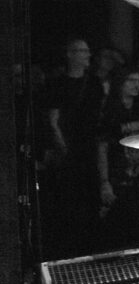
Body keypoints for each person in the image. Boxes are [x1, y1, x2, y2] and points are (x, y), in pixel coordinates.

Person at [44, 37, 104, 256]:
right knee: (70, 199)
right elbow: (53, 118)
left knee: (90, 198)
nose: (87, 55)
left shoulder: (94, 83)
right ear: (70, 54)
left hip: (89, 146)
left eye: (88, 51)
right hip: (70, 148)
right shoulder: (58, 83)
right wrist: (61, 144)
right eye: (82, 51)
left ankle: (90, 246)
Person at [97, 66, 139, 249]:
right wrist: (104, 181)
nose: (136, 85)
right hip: (119, 178)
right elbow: (102, 148)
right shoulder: (110, 112)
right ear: (120, 83)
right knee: (121, 227)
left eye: (138, 81)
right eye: (131, 80)